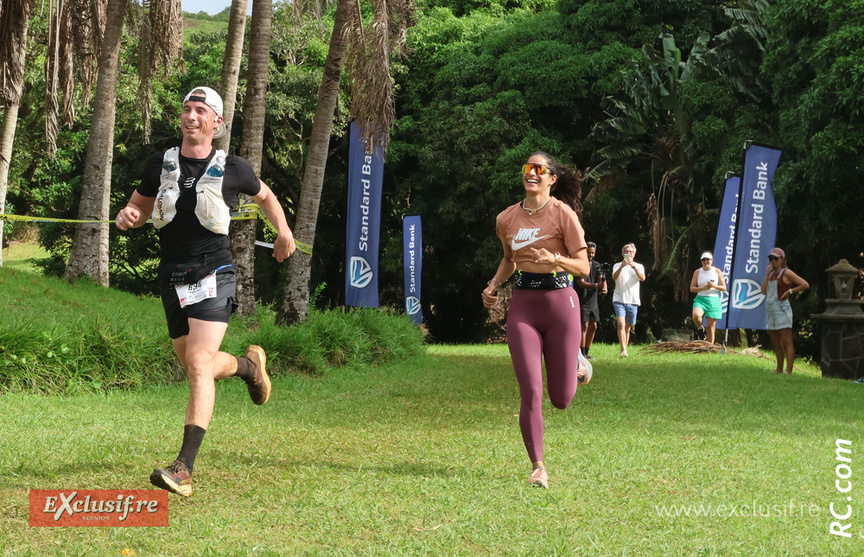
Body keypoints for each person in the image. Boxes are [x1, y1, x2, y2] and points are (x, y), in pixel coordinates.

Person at [115, 86, 296, 496]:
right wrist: (129, 216)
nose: (191, 116)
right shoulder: (160, 164)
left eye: (201, 110)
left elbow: (266, 197)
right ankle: (250, 368)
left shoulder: (234, 167)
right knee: (198, 365)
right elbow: (138, 209)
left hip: (215, 271)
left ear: (216, 122)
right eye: (187, 109)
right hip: (172, 277)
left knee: (198, 361)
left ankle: (183, 468)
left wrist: (283, 232)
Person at [481, 151, 590, 489]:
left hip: (561, 303)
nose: (532, 173)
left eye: (539, 169)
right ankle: (538, 467)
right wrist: (495, 283)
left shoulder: (563, 215)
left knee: (561, 399)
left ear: (552, 179)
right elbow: (509, 259)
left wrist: (555, 257)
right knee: (530, 390)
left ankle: (576, 359)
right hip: (524, 304)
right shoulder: (507, 218)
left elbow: (583, 267)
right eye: (528, 167)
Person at [760, 247, 809, 374]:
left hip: (781, 308)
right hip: (770, 308)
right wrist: (766, 274)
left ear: (782, 259)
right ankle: (779, 369)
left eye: (776, 258)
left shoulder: (786, 273)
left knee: (787, 340)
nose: (773, 261)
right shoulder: (770, 274)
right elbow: (763, 291)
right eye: (771, 258)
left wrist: (791, 291)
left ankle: (789, 371)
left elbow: (805, 284)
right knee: (775, 342)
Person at [611, 243, 645, 357]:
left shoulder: (639, 266)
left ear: (634, 254)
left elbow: (643, 278)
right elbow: (614, 277)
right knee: (621, 323)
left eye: (630, 252)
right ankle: (623, 350)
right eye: (626, 251)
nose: (628, 253)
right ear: (623, 253)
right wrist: (622, 266)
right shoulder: (617, 265)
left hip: (633, 300)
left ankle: (624, 349)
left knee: (628, 326)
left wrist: (633, 267)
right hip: (619, 298)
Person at [574, 241, 607, 359]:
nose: (591, 255)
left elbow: (601, 278)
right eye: (588, 253)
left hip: (593, 301)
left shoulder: (597, 265)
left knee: (594, 326)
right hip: (582, 299)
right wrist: (596, 286)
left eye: (593, 253)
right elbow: (581, 283)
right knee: (584, 326)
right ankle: (581, 352)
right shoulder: (580, 265)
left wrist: (604, 286)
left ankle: (587, 352)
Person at [689, 251, 727, 344]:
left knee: (710, 328)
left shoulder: (717, 271)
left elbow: (724, 287)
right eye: (703, 260)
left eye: (708, 259)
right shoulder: (697, 272)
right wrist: (702, 288)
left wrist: (714, 285)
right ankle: (700, 328)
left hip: (713, 300)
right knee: (696, 316)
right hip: (700, 299)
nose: (706, 262)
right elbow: (692, 288)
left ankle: (709, 348)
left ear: (712, 260)